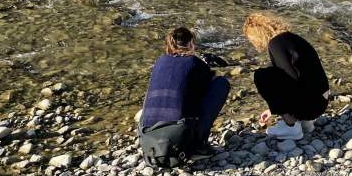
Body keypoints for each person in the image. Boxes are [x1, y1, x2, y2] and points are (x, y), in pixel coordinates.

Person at [141, 27, 230, 152]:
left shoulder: (159, 62)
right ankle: (199, 143)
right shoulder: (193, 62)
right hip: (179, 138)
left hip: (148, 139)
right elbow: (209, 84)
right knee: (221, 83)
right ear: (190, 43)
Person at [244, 13, 329, 141]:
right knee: (276, 73)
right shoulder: (293, 38)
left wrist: (279, 108)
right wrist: (272, 109)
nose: (253, 43)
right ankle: (306, 123)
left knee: (262, 75)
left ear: (258, 33)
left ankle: (292, 127)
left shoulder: (275, 44)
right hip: (321, 101)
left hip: (311, 106)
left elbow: (290, 80)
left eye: (252, 39)